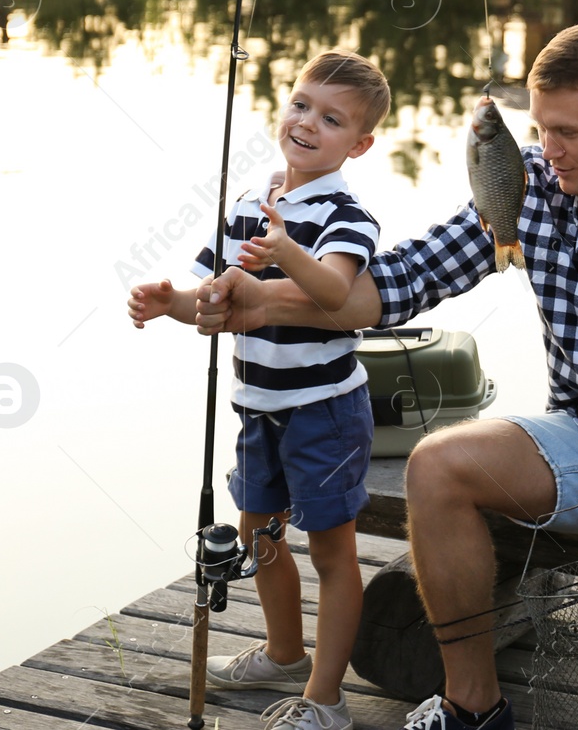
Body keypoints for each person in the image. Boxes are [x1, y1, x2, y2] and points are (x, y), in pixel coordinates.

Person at [197, 23, 578, 730]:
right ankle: (471, 708)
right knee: (438, 463)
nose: (548, 150)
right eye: (541, 128)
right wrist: (262, 297)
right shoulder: (531, 184)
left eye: (568, 132)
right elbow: (397, 283)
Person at [127, 50, 392, 730]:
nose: (308, 122)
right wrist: (175, 302)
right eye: (302, 104)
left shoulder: (346, 212)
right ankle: (281, 651)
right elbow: (213, 302)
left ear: (358, 144)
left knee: (333, 552)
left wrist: (283, 252)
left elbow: (336, 290)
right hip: (259, 408)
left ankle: (325, 697)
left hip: (326, 412)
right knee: (259, 533)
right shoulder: (248, 205)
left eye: (332, 119)